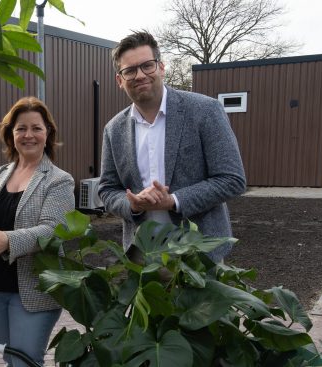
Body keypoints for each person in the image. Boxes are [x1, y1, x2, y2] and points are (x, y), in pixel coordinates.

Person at [98, 31, 247, 262]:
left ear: (161, 67)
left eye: (147, 65)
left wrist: (175, 201)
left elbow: (232, 179)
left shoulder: (205, 111)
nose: (140, 75)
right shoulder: (113, 129)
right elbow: (107, 189)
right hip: (142, 258)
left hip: (200, 258)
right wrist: (133, 205)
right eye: (129, 70)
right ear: (120, 80)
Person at [0, 96, 75, 367]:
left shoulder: (58, 180)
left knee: (25, 362)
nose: (28, 135)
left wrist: (8, 240)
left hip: (34, 291)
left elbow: (54, 230)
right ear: (10, 134)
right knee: (11, 359)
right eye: (21, 128)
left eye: (36, 128)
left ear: (48, 133)